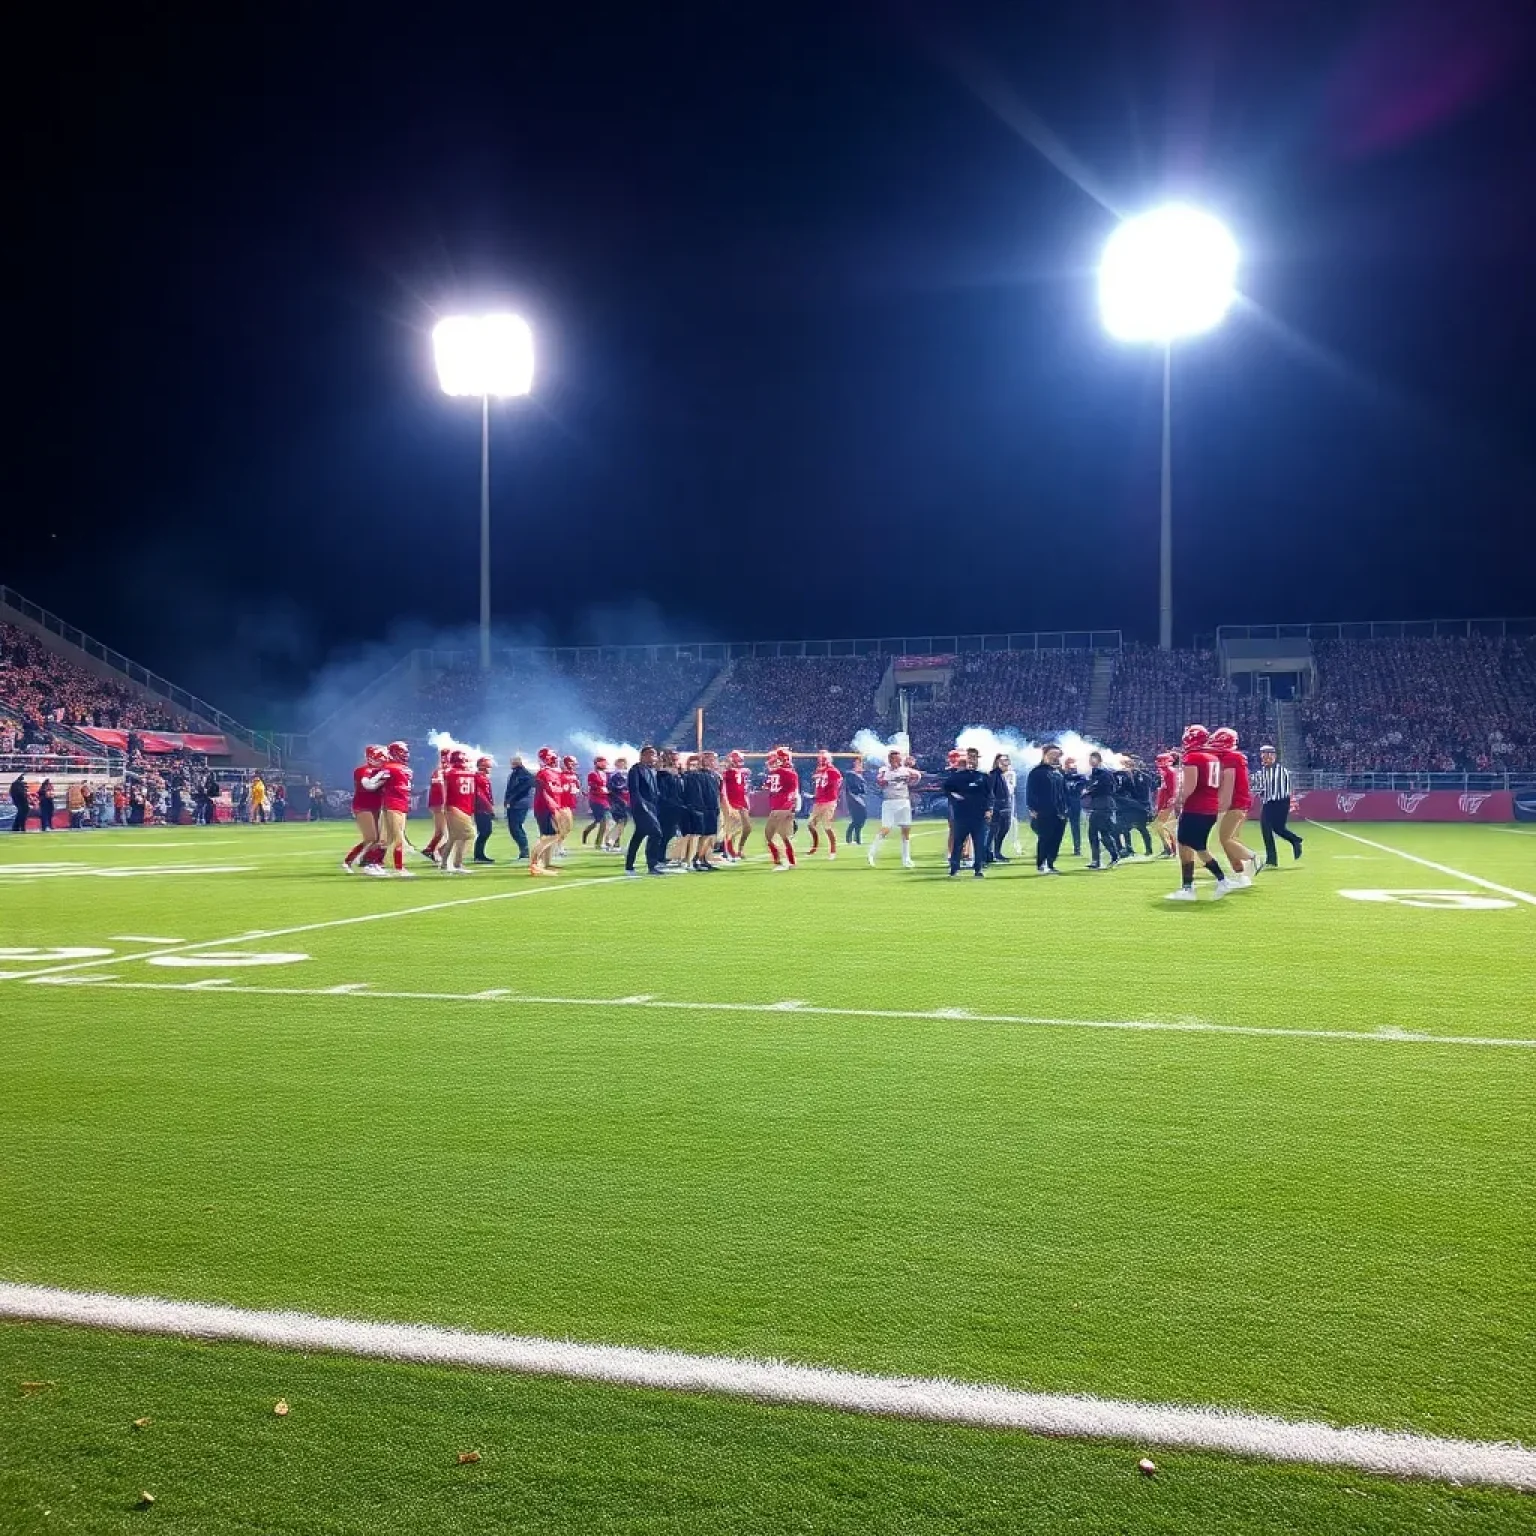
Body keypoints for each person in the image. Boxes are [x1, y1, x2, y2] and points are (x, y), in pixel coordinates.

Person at [1166, 724, 1231, 902]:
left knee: (1185, 847)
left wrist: (1178, 799)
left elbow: (1190, 785)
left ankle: (1188, 888)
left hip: (1195, 808)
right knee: (1200, 848)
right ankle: (1222, 880)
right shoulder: (1212, 757)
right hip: (1209, 808)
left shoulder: (1193, 757)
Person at [1209, 728, 1257, 886]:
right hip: (1237, 803)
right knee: (1228, 839)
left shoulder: (1231, 757)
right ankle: (1241, 875)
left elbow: (1228, 786)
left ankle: (1252, 858)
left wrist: (1219, 806)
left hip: (1235, 803)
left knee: (1226, 839)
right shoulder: (1230, 757)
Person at [365, 740, 414, 878]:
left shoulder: (403, 768)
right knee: (398, 838)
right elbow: (372, 782)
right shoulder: (389, 767)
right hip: (392, 804)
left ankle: (375, 864)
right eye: (403, 752)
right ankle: (399, 868)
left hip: (401, 804)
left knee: (388, 839)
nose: (406, 754)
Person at [944, 746, 991, 877]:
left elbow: (989, 794)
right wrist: (957, 798)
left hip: (979, 814)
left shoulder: (982, 776)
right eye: (970, 757)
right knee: (958, 841)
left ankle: (978, 868)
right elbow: (947, 789)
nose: (972, 760)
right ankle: (954, 867)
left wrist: (989, 809)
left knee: (979, 842)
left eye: (974, 758)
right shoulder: (957, 776)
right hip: (962, 814)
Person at [867, 749, 919, 867]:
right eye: (895, 758)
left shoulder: (905, 770)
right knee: (886, 829)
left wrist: (911, 778)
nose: (898, 761)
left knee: (906, 830)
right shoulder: (884, 770)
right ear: (891, 760)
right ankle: (871, 853)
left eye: (898, 758)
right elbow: (880, 781)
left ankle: (906, 859)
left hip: (904, 801)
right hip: (890, 802)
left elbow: (917, 776)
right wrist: (888, 779)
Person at [1255, 744, 1304, 865]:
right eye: (1263, 755)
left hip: (1280, 802)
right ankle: (1273, 858)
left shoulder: (1280, 771)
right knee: (1267, 829)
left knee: (1278, 828)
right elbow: (1259, 788)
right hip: (1268, 803)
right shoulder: (1263, 772)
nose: (1265, 758)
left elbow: (1266, 787)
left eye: (1268, 755)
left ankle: (1295, 841)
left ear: (1273, 756)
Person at [624, 744, 668, 876]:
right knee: (656, 833)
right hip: (642, 808)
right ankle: (652, 865)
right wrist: (641, 806)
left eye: (654, 755)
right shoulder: (635, 770)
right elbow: (634, 790)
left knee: (639, 835)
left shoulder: (652, 771)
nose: (653, 757)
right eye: (651, 754)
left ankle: (629, 866)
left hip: (652, 807)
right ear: (643, 756)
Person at [343, 744, 387, 872]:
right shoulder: (363, 770)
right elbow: (368, 785)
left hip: (376, 806)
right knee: (371, 838)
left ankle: (370, 861)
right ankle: (349, 860)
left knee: (378, 839)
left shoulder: (381, 770)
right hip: (363, 806)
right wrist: (381, 779)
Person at [1025, 743, 1069, 874]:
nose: (1055, 758)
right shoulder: (1037, 772)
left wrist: (1067, 807)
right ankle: (1041, 863)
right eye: (1052, 755)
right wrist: (1032, 808)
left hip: (1061, 812)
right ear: (1045, 755)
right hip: (1044, 811)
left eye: (1057, 755)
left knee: (1057, 838)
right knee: (1045, 837)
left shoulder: (1060, 772)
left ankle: (1051, 863)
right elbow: (1030, 791)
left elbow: (1064, 791)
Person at [439, 749, 476, 873]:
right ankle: (457, 864)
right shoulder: (465, 773)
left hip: (460, 806)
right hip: (456, 807)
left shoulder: (449, 772)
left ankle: (444, 863)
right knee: (468, 834)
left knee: (454, 836)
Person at [762, 747, 800, 870]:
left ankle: (791, 862)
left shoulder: (790, 773)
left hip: (784, 807)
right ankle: (777, 859)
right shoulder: (774, 772)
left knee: (784, 837)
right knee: (768, 836)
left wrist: (792, 808)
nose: (772, 760)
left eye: (776, 758)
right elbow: (768, 786)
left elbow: (794, 791)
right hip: (775, 808)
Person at [529, 748, 564, 877]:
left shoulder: (554, 773)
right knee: (549, 835)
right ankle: (534, 864)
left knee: (554, 835)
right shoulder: (543, 773)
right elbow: (545, 793)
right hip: (545, 808)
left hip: (552, 807)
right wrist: (553, 808)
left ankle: (545, 863)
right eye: (554, 759)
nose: (556, 761)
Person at [684, 752, 722, 870]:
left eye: (713, 760)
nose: (712, 762)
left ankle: (702, 858)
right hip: (703, 808)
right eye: (709, 759)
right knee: (701, 835)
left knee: (710, 835)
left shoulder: (714, 775)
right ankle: (694, 860)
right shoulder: (696, 774)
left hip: (713, 807)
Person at [1082, 752, 1120, 870]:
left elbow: (1106, 788)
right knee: (1101, 833)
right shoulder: (1095, 774)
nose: (1091, 761)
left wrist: (1088, 791)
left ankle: (1100, 859)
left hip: (1103, 805)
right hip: (1099, 805)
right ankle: (1111, 856)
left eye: (1093, 759)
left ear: (1098, 760)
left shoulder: (1103, 774)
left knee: (1097, 832)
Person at [1113, 758, 1154, 860]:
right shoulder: (1144, 775)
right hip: (1140, 806)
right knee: (1139, 828)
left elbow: (1129, 790)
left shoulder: (1132, 776)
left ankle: (1131, 850)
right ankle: (1146, 850)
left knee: (1129, 828)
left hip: (1136, 806)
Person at [656, 749, 688, 868]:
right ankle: (658, 856)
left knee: (672, 833)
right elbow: (662, 792)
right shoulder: (662, 774)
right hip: (667, 807)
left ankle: (666, 855)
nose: (675, 760)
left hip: (678, 806)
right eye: (673, 758)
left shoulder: (679, 773)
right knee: (665, 832)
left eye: (676, 758)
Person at [808, 749, 842, 858]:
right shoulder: (819, 770)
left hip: (829, 801)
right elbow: (818, 785)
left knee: (827, 827)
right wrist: (815, 795)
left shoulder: (833, 771)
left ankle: (833, 850)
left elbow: (839, 782)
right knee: (810, 825)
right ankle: (814, 846)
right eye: (820, 758)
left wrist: (834, 795)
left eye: (824, 758)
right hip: (819, 801)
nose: (822, 760)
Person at [721, 750, 751, 860]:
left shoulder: (741, 772)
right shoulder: (727, 773)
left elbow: (743, 788)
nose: (741, 761)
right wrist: (727, 804)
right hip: (732, 803)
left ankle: (740, 849)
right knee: (732, 828)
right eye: (739, 759)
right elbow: (723, 787)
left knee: (747, 828)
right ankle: (729, 850)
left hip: (741, 802)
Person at [423, 747, 451, 865]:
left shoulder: (438, 771)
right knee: (443, 831)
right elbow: (441, 790)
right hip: (440, 804)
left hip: (437, 804)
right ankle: (431, 850)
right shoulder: (445, 771)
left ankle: (431, 849)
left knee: (441, 831)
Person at [503, 754, 533, 861]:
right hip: (517, 804)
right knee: (515, 827)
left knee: (515, 827)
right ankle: (524, 850)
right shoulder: (516, 774)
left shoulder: (523, 774)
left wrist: (510, 800)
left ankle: (524, 851)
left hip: (519, 804)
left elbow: (520, 789)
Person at [1151, 751, 1180, 857]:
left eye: (1160, 761)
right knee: (1163, 827)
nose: (1158, 764)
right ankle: (1169, 849)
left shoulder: (1169, 772)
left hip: (1168, 804)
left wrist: (1169, 803)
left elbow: (1172, 790)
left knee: (1162, 826)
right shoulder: (1166, 772)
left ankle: (1171, 849)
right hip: (1166, 803)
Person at [986, 753, 1013, 863]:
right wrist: (991, 807)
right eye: (1004, 760)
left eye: (1007, 760)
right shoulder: (993, 775)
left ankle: (997, 852)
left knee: (1003, 830)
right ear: (997, 762)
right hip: (997, 808)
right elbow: (990, 792)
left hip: (1005, 807)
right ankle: (987, 854)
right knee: (993, 831)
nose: (1007, 763)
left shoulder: (1003, 775)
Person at [582, 757, 612, 847]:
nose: (605, 764)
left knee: (599, 821)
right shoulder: (592, 774)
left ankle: (586, 832)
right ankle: (599, 843)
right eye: (603, 762)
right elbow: (592, 786)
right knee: (604, 821)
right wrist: (601, 790)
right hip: (596, 800)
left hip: (604, 799)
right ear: (597, 763)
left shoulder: (606, 774)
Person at [472, 755, 497, 863]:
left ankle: (480, 855)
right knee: (485, 831)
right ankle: (478, 855)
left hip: (484, 808)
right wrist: (489, 807)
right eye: (487, 766)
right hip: (481, 808)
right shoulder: (478, 777)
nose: (489, 768)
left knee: (485, 831)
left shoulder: (483, 777)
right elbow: (481, 795)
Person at [1061, 756, 1085, 856]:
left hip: (1075, 804)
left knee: (1075, 826)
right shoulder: (1061, 777)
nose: (1071, 767)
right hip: (1063, 804)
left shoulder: (1080, 777)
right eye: (1068, 764)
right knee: (1059, 826)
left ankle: (1077, 848)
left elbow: (1080, 786)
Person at [605, 758, 630, 852]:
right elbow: (612, 788)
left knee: (621, 822)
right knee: (621, 820)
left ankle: (614, 843)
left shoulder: (626, 774)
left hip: (624, 801)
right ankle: (611, 840)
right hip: (617, 801)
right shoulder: (615, 775)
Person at [843, 754, 868, 846]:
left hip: (859, 798)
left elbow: (862, 788)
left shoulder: (858, 775)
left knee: (861, 819)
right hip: (853, 798)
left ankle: (856, 838)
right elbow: (855, 788)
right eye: (858, 763)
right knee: (858, 818)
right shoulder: (851, 774)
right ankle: (851, 836)